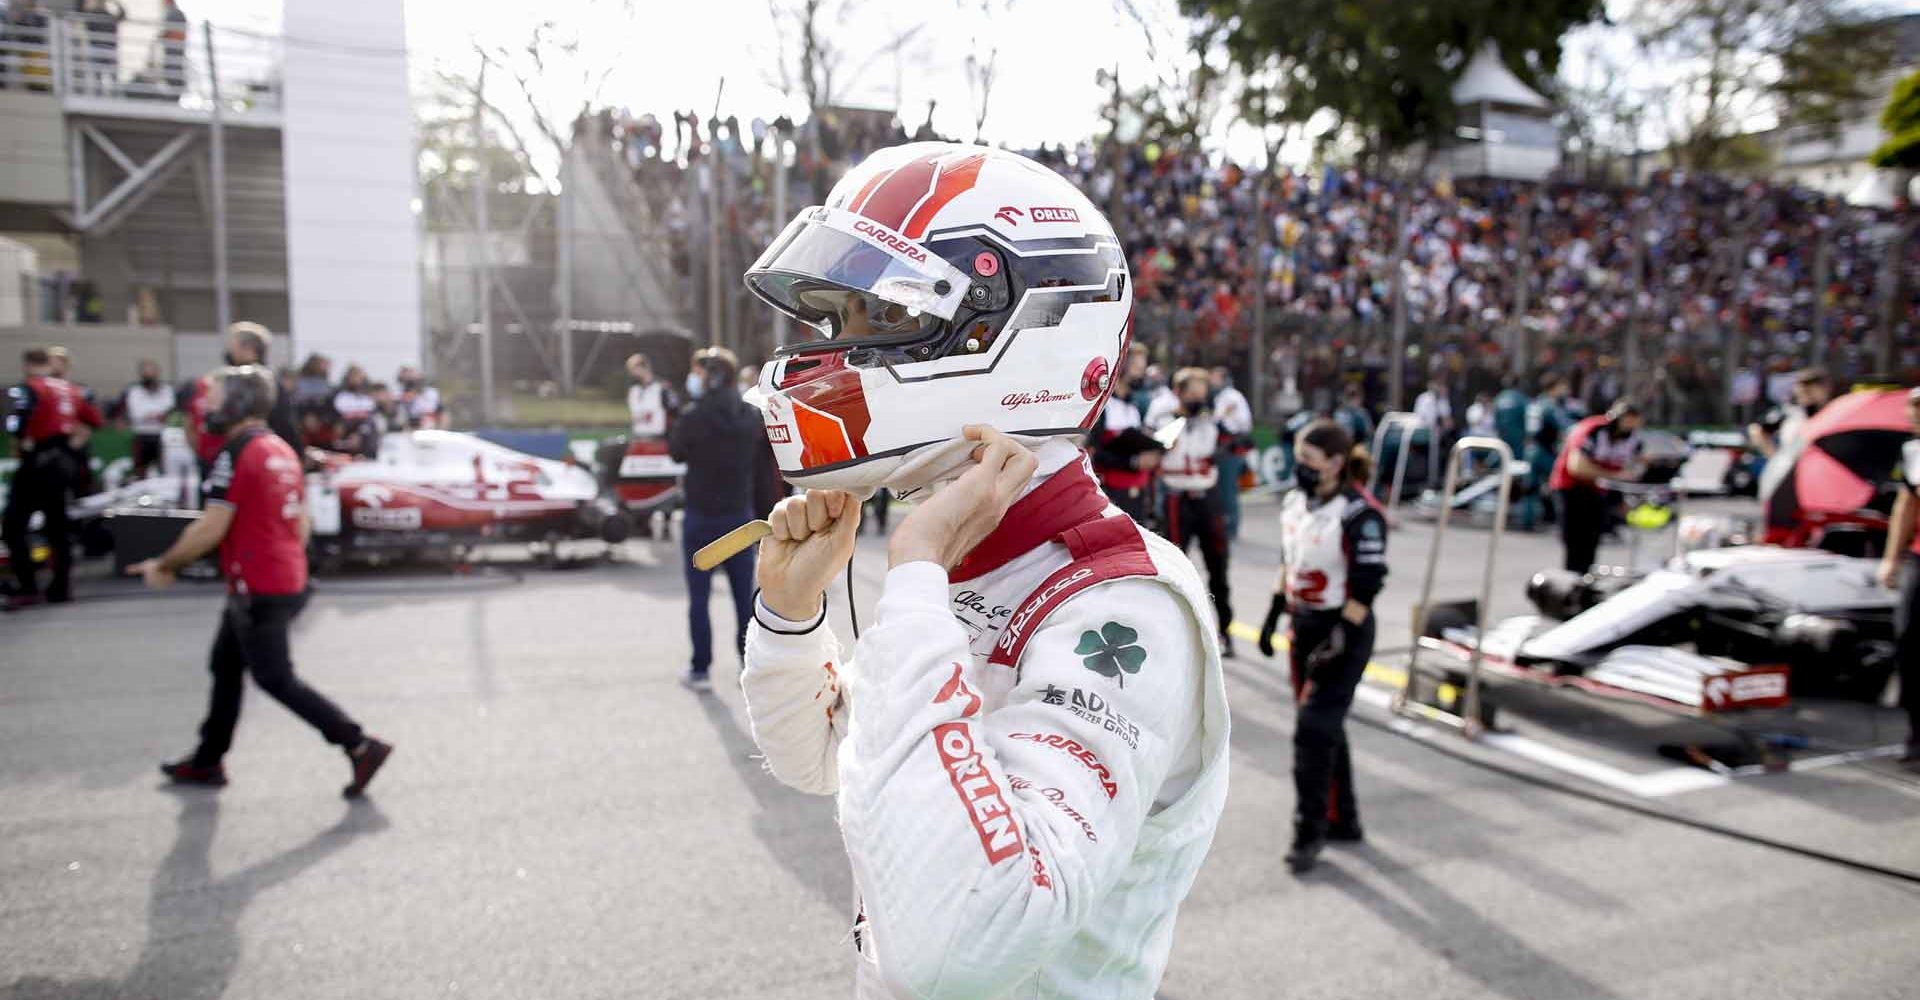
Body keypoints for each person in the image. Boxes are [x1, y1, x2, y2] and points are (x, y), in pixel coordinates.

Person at [738, 142, 1227, 999]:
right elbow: (817, 761)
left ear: (1017, 332)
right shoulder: (966, 550)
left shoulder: (1123, 603)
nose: (832, 355)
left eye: (873, 321)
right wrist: (790, 614)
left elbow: (965, 943)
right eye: (835, 322)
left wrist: (918, 574)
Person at [130, 366, 392, 794]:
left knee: (275, 678)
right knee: (225, 666)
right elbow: (301, 522)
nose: (204, 411)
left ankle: (358, 744)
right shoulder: (280, 448)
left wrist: (166, 564)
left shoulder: (236, 452)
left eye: (211, 401)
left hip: (259, 587)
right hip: (280, 577)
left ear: (235, 403)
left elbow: (211, 526)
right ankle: (207, 759)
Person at [1257, 419, 1386, 873]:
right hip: (1303, 626)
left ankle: (1308, 832)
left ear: (1334, 463)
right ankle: (1344, 818)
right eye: (1298, 458)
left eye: (1309, 461)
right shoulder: (1295, 503)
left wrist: (1341, 636)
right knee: (1324, 728)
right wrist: (1274, 611)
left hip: (1343, 629)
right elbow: (1288, 558)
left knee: (1312, 730)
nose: (1300, 468)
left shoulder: (1359, 513)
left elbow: (1368, 585)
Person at [666, 346, 761, 693]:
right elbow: (765, 471)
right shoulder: (751, 416)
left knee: (699, 598)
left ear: (713, 377)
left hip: (702, 518)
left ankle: (700, 669)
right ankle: (748, 666)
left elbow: (675, 451)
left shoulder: (694, 416)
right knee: (743, 599)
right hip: (739, 517)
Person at [4, 347, 103, 609]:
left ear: (27, 365)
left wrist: (21, 439)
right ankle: (60, 587)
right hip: (65, 460)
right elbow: (95, 420)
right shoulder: (71, 389)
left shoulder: (29, 388)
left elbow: (16, 423)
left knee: (14, 525)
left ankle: (27, 586)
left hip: (38, 459)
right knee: (57, 527)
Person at [1151, 367, 1236, 656]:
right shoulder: (1163, 418)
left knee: (1218, 564)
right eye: (1193, 393)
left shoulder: (1212, 421)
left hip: (1207, 497)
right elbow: (1158, 444)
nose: (1199, 398)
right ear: (1179, 393)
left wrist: (1221, 425)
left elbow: (1236, 441)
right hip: (1177, 498)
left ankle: (1225, 630)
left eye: (1203, 392)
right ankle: (1172, 632)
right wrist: (1180, 420)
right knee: (1175, 566)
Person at [185, 323, 298, 478]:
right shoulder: (222, 380)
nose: (229, 351)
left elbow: (285, 426)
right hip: (222, 459)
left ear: (249, 348)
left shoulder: (267, 382)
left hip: (253, 462)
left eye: (233, 345)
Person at [1875, 388, 1920, 764]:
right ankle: (1916, 735)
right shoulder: (1912, 452)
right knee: (1909, 642)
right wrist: (1890, 559)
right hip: (1919, 559)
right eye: (1914, 408)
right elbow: (1906, 505)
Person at [1549, 399, 1645, 574]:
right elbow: (1576, 467)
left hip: (1599, 490)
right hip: (1571, 488)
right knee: (1574, 542)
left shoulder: (1633, 439)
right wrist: (1614, 475)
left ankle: (1585, 582)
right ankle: (1571, 580)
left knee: (1592, 540)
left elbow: (1636, 466)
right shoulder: (1592, 430)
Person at [1089, 356, 1160, 523]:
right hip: (1112, 492)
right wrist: (1132, 462)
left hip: (1138, 490)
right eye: (1137, 368)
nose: (1141, 374)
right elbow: (1094, 454)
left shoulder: (1134, 406)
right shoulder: (1103, 408)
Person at [1749, 366, 1836, 460]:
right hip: (1796, 464)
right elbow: (1757, 429)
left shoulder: (1834, 411)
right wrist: (1776, 458)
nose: (1805, 393)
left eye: (1811, 390)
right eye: (1804, 390)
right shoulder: (1790, 411)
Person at [1210, 366, 1253, 538]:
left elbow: (1240, 424)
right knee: (1223, 490)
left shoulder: (1231, 397)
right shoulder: (1223, 396)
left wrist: (1222, 418)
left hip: (1231, 449)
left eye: (1215, 377)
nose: (1212, 380)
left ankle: (1230, 528)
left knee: (1228, 491)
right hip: (1225, 449)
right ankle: (1226, 526)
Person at [118, 358, 175, 479]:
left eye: (152, 371)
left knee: (162, 470)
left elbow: (168, 410)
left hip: (161, 436)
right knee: (140, 471)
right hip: (141, 435)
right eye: (146, 372)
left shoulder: (166, 390)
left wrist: (153, 415)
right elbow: (136, 414)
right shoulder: (134, 391)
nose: (149, 375)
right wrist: (154, 415)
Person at [625, 352, 677, 439]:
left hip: (659, 438)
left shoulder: (663, 388)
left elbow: (675, 411)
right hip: (639, 438)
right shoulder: (634, 390)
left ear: (644, 367)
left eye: (633, 369)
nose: (632, 373)